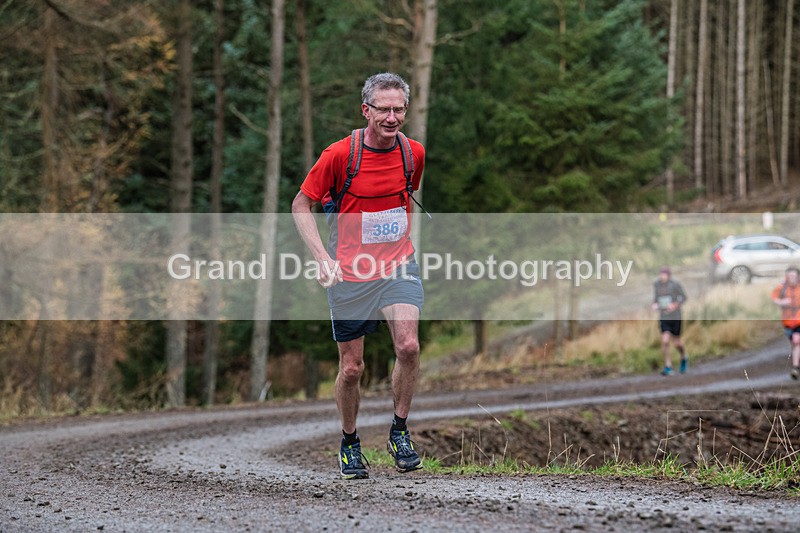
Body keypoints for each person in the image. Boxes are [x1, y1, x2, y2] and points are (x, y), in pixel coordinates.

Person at [291, 72, 426, 479]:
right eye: (383, 109)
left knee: (409, 346)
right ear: (365, 110)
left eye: (399, 109)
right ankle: (350, 441)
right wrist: (322, 258)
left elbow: (404, 197)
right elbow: (301, 205)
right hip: (349, 273)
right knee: (352, 368)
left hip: (398, 264)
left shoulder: (413, 154)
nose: (392, 117)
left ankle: (399, 431)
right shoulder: (339, 155)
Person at [651, 266, 688, 376]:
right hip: (664, 316)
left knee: (676, 343)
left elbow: (684, 297)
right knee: (665, 341)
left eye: (664, 274)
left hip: (675, 316)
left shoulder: (675, 284)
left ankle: (683, 356)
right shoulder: (657, 285)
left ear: (668, 275)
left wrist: (675, 305)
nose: (662, 276)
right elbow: (656, 298)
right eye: (661, 274)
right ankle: (668, 366)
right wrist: (655, 304)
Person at [771, 266, 800, 380]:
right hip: (787, 322)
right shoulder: (781, 288)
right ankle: (797, 364)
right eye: (789, 276)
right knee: (794, 344)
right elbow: (774, 298)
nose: (791, 278)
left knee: (796, 341)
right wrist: (782, 302)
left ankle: (795, 368)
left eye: (793, 276)